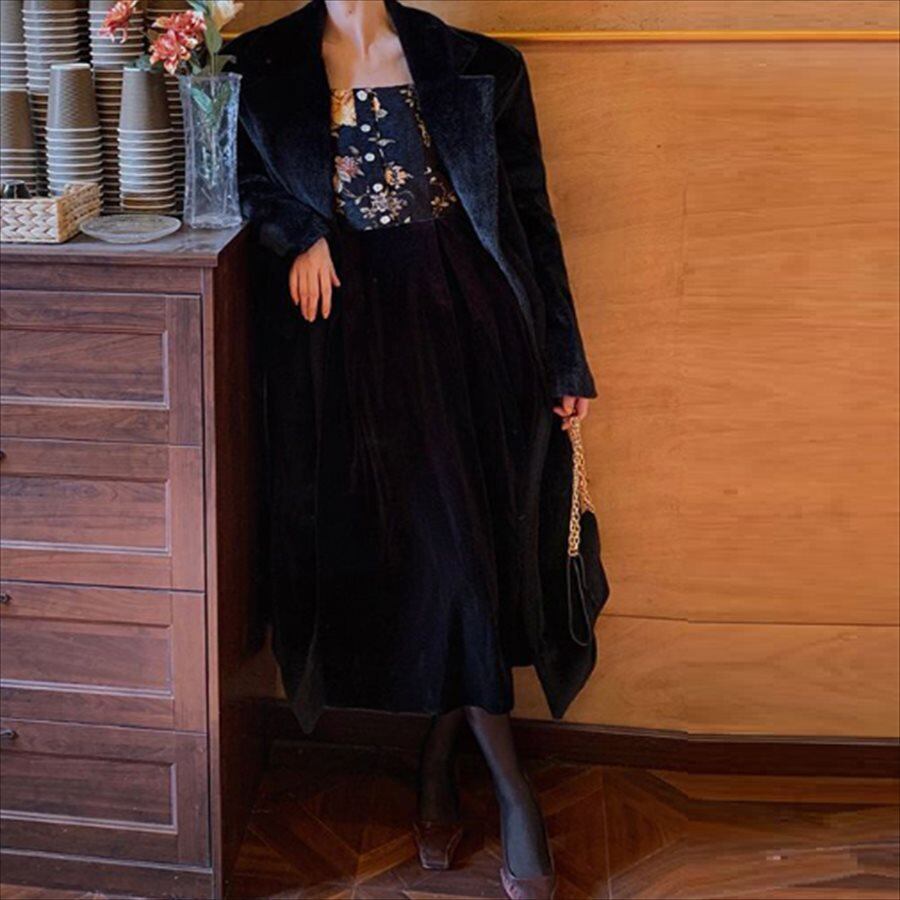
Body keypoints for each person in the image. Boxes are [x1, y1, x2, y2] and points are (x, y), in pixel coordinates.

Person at [228, 1, 609, 897]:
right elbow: (238, 185)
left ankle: (481, 780)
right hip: (346, 344)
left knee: (471, 557)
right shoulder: (254, 62)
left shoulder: (475, 61)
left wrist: (565, 356)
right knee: (426, 561)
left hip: (472, 327)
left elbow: (530, 215)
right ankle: (474, 773)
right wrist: (301, 234)